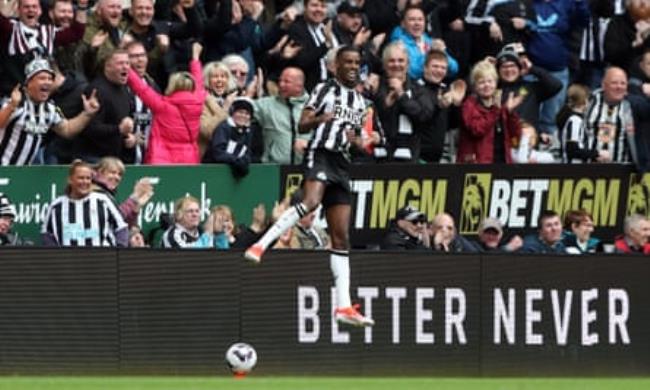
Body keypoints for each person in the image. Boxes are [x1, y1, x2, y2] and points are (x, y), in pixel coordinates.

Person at [244, 46, 374, 327]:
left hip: (342, 165)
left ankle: (343, 308)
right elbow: (303, 125)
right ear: (335, 66)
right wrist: (320, 119)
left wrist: (360, 142)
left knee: (341, 237)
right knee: (311, 201)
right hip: (321, 155)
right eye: (347, 62)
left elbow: (365, 145)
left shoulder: (362, 102)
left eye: (356, 62)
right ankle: (261, 244)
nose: (352, 66)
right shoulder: (325, 90)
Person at [0, 57, 100, 165]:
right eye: (42, 78)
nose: (47, 82)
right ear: (28, 82)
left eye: (50, 78)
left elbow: (67, 130)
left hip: (23, 172)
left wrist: (87, 114)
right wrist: (11, 107)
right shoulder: (15, 102)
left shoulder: (50, 109)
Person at [126, 42, 207, 164]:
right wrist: (195, 59)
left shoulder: (162, 106)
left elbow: (140, 88)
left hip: (162, 160)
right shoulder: (198, 102)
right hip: (189, 159)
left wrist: (125, 65)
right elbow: (199, 82)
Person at [41, 160, 128, 247]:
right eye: (81, 178)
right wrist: (56, 255)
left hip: (101, 258)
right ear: (70, 180)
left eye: (88, 178)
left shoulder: (103, 200)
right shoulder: (56, 205)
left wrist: (118, 251)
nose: (85, 182)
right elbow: (47, 233)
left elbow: (121, 228)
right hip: (68, 259)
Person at [457, 59, 522, 163]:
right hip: (477, 165)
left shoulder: (501, 104)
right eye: (481, 82)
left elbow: (516, 137)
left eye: (490, 81)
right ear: (475, 86)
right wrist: (495, 110)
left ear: (495, 83)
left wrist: (510, 113)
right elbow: (477, 129)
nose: (487, 85)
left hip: (502, 162)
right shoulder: (468, 105)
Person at [254, 67, 311, 165]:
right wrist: (248, 93)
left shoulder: (314, 105)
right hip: (273, 169)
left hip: (306, 169)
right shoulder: (265, 105)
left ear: (299, 85)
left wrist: (309, 144)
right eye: (280, 81)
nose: (281, 85)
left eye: (286, 82)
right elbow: (240, 110)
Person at [583, 67, 636, 163]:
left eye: (623, 83)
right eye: (614, 83)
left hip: (622, 170)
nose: (619, 87)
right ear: (603, 85)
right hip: (586, 168)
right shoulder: (588, 102)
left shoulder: (634, 105)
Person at [202, 97, 260, 177]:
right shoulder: (224, 128)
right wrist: (236, 161)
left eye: (247, 113)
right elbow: (218, 152)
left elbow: (247, 152)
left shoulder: (247, 131)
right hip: (212, 171)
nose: (243, 116)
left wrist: (245, 161)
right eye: (240, 112)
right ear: (233, 113)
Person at [92, 157, 154, 227]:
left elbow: (125, 226)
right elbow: (115, 217)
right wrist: (134, 196)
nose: (116, 177)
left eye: (119, 174)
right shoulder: (93, 193)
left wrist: (136, 208)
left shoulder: (110, 194)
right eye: (112, 172)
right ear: (100, 172)